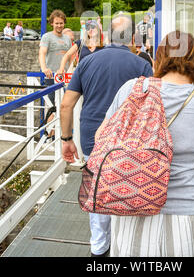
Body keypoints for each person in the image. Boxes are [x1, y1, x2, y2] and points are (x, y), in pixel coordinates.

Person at [99, 30, 194, 257]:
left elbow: (101, 139)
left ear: (160, 57)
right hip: (190, 211)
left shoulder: (132, 89)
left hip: (132, 204)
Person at [60, 14, 153, 257]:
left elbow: (66, 105)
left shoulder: (88, 62)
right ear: (133, 38)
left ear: (107, 37)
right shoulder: (142, 65)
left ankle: (99, 249)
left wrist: (66, 140)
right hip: (129, 141)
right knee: (128, 189)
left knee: (97, 193)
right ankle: (125, 248)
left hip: (93, 139)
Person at [39, 10, 72, 139]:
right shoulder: (47, 37)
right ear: (52, 23)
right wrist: (44, 68)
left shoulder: (67, 38)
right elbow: (42, 53)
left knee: (65, 107)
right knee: (52, 107)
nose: (59, 25)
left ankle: (60, 137)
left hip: (65, 78)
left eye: (61, 23)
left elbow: (70, 57)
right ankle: (49, 137)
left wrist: (72, 71)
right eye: (57, 23)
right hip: (51, 77)